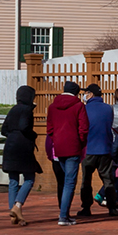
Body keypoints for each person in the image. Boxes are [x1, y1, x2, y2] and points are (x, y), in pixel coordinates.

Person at [44, 81, 90, 226]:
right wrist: (80, 142)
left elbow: (50, 128)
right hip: (73, 146)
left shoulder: (52, 107)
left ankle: (64, 214)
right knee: (70, 182)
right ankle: (63, 216)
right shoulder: (79, 106)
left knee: (65, 181)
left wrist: (56, 139)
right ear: (76, 92)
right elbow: (84, 128)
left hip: (58, 146)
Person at [0, 84, 41, 226]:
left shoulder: (13, 109)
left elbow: (3, 130)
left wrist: (12, 135)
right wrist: (32, 135)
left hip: (10, 146)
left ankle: (14, 213)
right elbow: (24, 127)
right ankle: (17, 206)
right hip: (23, 148)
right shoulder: (26, 110)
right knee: (29, 178)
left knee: (13, 180)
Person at [80, 84, 116, 218]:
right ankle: (112, 207)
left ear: (91, 94)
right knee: (108, 180)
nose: (85, 95)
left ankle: (86, 207)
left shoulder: (84, 109)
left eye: (86, 93)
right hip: (105, 149)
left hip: (88, 149)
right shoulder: (108, 109)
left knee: (86, 180)